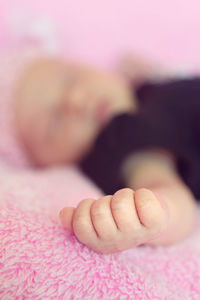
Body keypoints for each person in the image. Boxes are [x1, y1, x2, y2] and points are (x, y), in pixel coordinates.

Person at [14, 55, 198, 254]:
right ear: (43, 164)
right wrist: (151, 214)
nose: (75, 99)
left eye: (71, 79)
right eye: (54, 120)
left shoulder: (142, 92)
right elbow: (168, 193)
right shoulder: (122, 139)